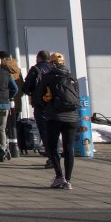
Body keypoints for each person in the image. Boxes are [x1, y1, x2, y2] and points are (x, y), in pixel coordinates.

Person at [32, 52, 80, 190]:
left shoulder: (48, 77)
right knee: (68, 148)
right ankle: (68, 180)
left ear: (52, 64)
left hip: (54, 117)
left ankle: (59, 176)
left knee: (53, 147)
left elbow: (37, 98)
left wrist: (46, 107)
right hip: (72, 118)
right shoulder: (72, 78)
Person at [23, 50, 53, 168]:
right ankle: (53, 153)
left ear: (39, 58)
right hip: (54, 105)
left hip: (41, 104)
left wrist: (33, 93)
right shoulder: (53, 68)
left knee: (44, 131)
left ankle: (51, 157)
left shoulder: (35, 69)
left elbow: (26, 88)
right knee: (54, 130)